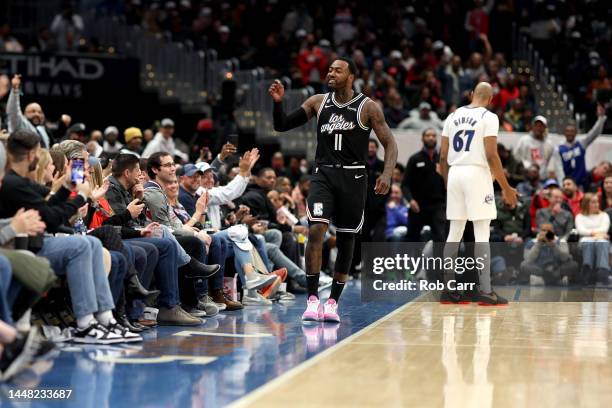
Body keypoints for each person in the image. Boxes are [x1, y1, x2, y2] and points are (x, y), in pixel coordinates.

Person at [269, 57, 398, 323]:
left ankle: (333, 303)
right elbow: (281, 125)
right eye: (330, 69)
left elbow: (390, 143)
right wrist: (278, 102)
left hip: (354, 177)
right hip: (323, 174)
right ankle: (313, 299)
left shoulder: (368, 107)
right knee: (316, 228)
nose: (331, 73)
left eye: (338, 70)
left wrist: (386, 174)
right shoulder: (318, 101)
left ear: (351, 76)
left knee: (347, 238)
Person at [439, 82, 519, 305]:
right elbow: (492, 155)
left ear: (471, 94)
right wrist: (506, 188)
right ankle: (485, 291)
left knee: (454, 233)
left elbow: (442, 157)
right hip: (476, 173)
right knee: (482, 233)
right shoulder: (489, 117)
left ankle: (449, 290)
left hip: (455, 173)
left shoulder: (452, 116)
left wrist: (448, 183)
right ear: (491, 99)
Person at [402, 128, 446, 243]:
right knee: (412, 239)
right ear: (422, 138)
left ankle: (438, 261)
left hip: (438, 206)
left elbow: (449, 184)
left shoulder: (442, 159)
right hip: (418, 205)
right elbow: (405, 185)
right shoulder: (414, 159)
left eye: (433, 135)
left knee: (441, 238)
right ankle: (412, 261)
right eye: (428, 135)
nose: (431, 138)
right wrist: (410, 200)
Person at [551, 105, 607, 189]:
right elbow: (559, 170)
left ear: (576, 133)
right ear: (564, 133)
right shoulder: (558, 149)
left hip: (582, 184)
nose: (570, 133)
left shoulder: (581, 143)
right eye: (568, 131)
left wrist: (601, 118)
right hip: (569, 185)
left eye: (572, 131)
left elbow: (594, 133)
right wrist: (564, 185)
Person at [575, 193, 610, 284]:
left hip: (600, 240)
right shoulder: (579, 217)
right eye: (593, 202)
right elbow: (581, 230)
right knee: (589, 242)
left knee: (602, 242)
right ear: (586, 204)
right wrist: (597, 234)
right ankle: (587, 269)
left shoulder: (604, 215)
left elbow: (604, 229)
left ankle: (603, 271)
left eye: (597, 202)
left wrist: (591, 233)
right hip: (585, 241)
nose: (596, 204)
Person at [512, 115, 555, 180]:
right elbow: (516, 156)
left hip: (543, 178)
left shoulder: (549, 144)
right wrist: (525, 166)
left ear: (545, 128)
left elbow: (550, 161)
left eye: (541, 126)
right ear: (532, 127)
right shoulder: (524, 140)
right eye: (536, 125)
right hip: (526, 177)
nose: (538, 128)